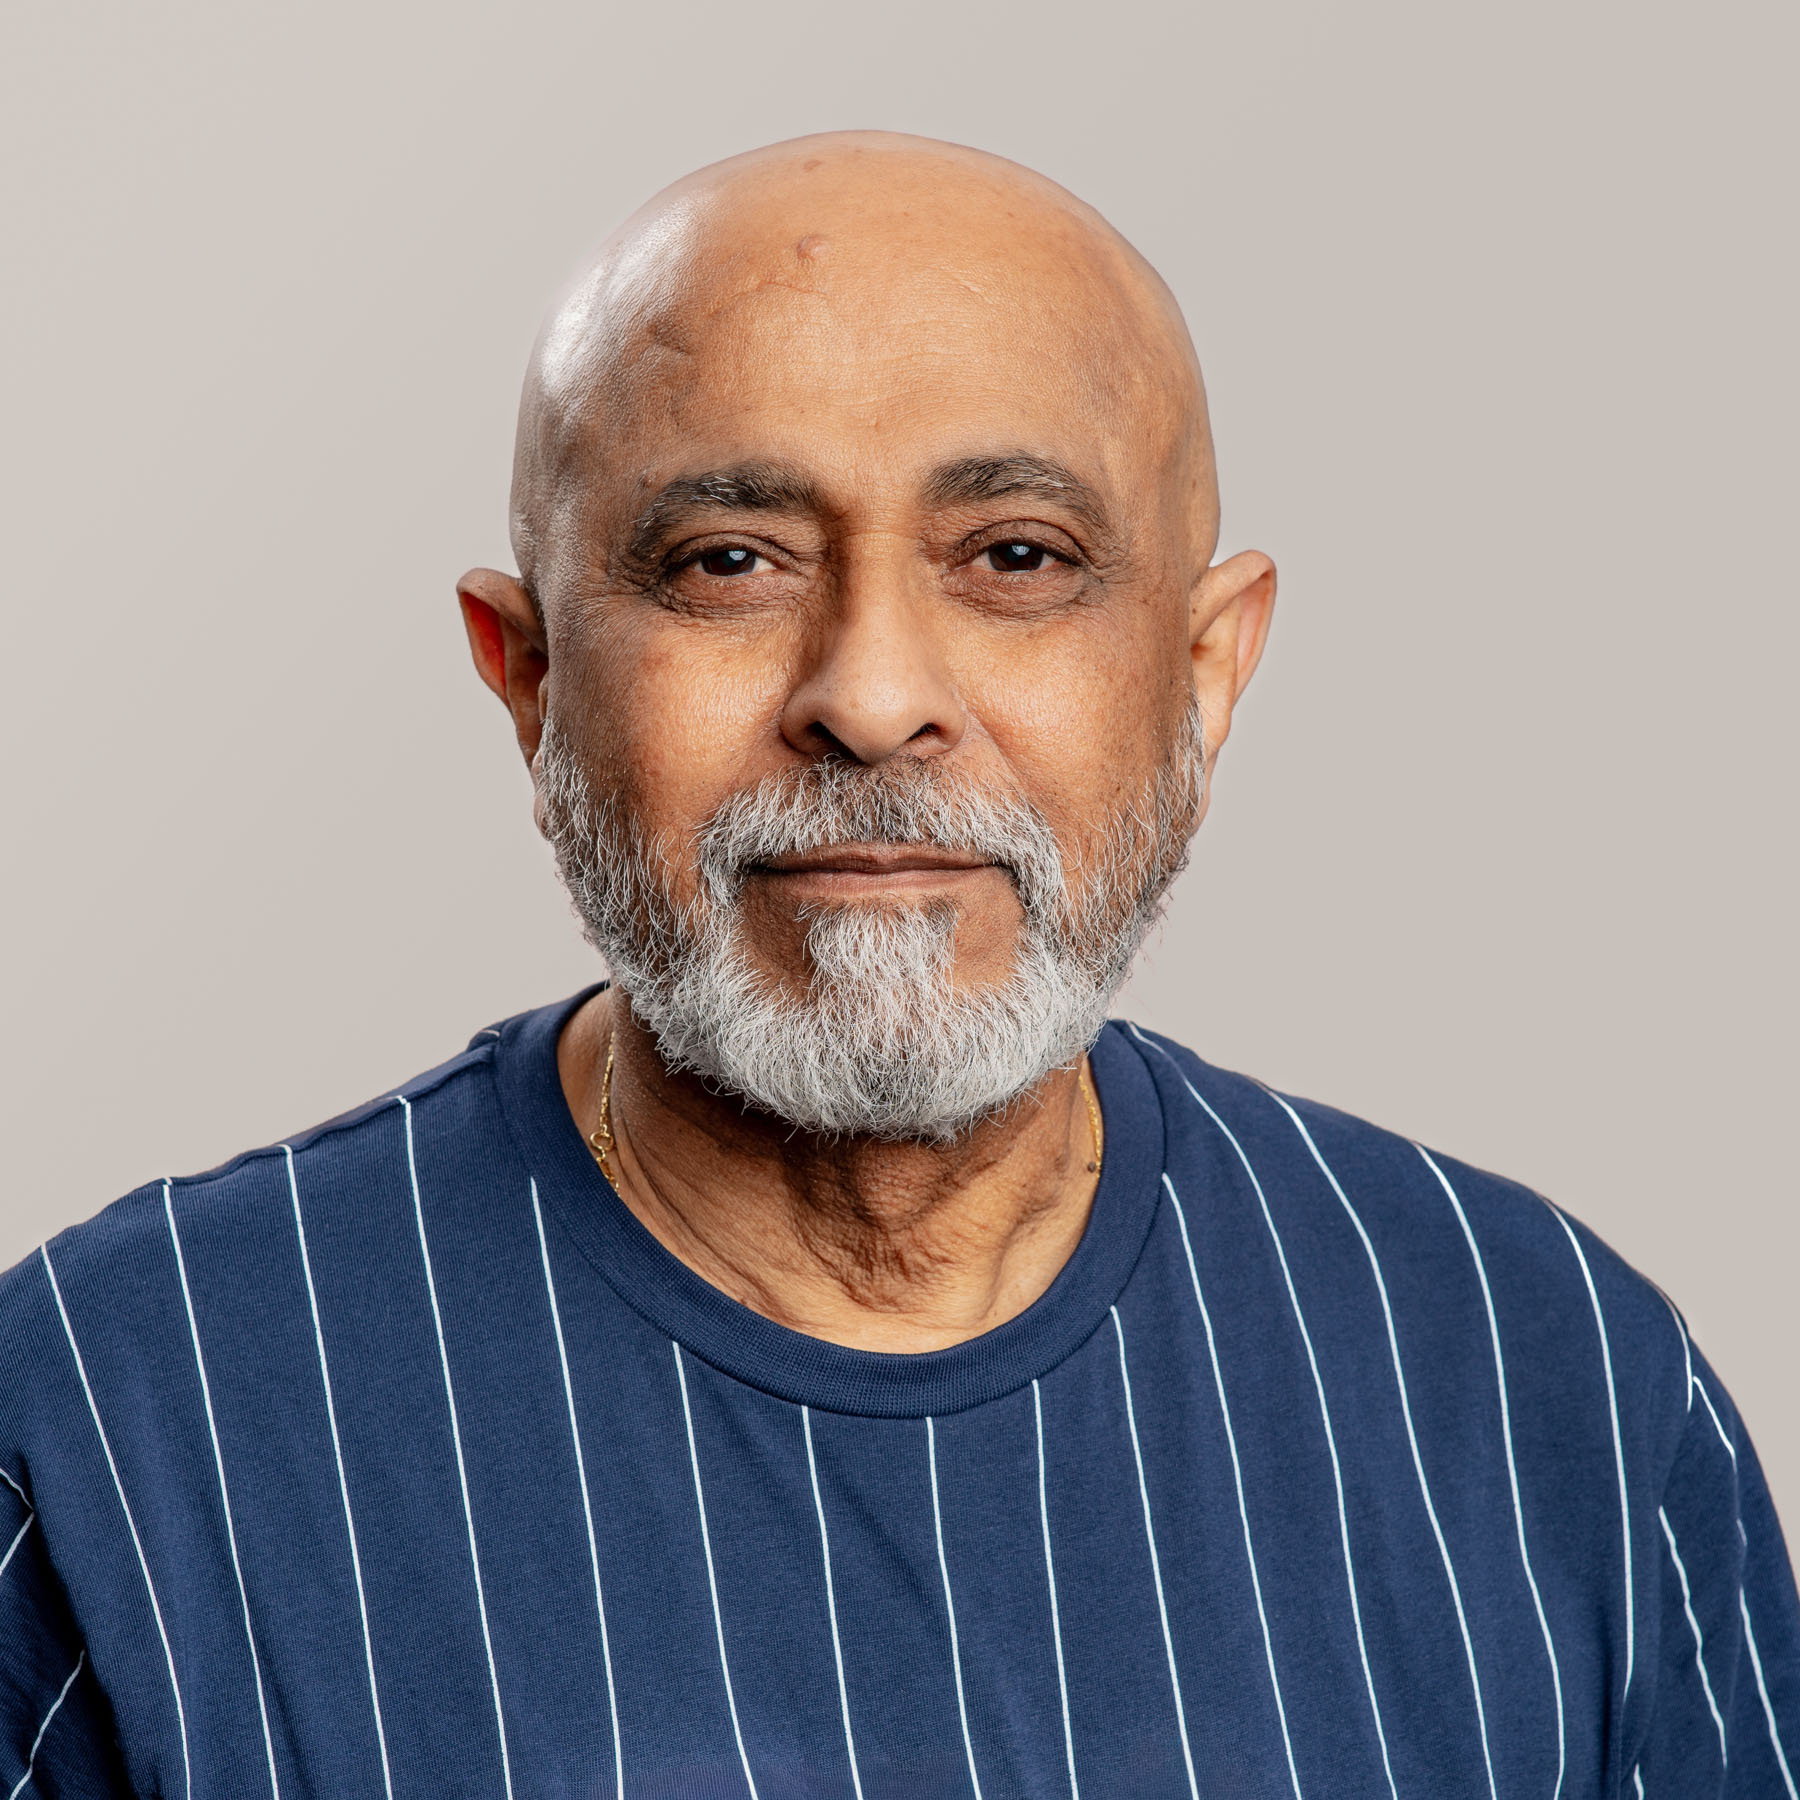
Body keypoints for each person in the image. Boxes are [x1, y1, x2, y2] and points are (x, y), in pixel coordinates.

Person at [0, 132, 1792, 1800]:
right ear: (529, 676)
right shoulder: (118, 1419)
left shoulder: (1549, 1381)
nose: (868, 696)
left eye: (1016, 557)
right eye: (728, 562)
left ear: (1206, 670)